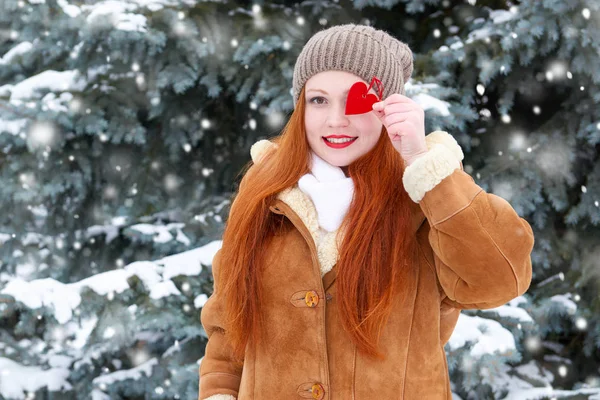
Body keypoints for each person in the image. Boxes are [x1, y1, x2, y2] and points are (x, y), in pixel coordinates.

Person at [198, 23, 534, 400]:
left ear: (387, 108)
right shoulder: (264, 195)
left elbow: (499, 280)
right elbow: (229, 330)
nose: (336, 119)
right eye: (319, 100)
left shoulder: (425, 197)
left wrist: (426, 168)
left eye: (356, 99)